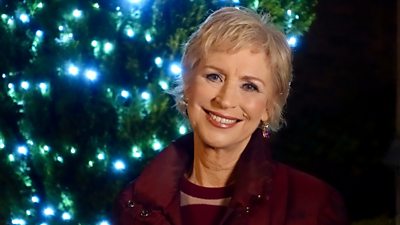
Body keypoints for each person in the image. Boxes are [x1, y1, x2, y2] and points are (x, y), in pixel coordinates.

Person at [113, 6, 348, 225]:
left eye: (249, 86)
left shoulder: (312, 204)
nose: (225, 100)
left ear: (269, 107)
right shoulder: (135, 203)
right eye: (214, 77)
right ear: (188, 85)